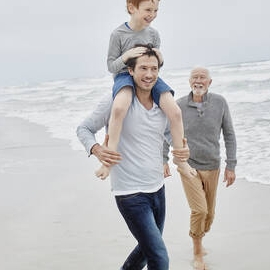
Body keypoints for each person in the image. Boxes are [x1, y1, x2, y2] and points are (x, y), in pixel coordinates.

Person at [77, 49, 190, 270]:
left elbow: (168, 132)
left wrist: (183, 151)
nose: (149, 74)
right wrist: (96, 149)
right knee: (159, 257)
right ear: (130, 71)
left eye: (154, 69)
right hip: (130, 194)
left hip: (157, 189)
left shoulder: (162, 104)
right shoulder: (115, 100)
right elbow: (84, 128)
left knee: (145, 252)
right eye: (143, 69)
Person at [95, 0, 194, 180]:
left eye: (156, 10)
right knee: (119, 108)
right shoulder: (118, 34)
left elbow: (155, 65)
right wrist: (126, 56)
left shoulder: (154, 34)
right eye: (148, 9)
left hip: (148, 76)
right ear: (132, 8)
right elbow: (110, 66)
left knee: (175, 111)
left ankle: (181, 161)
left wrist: (160, 58)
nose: (152, 14)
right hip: (124, 76)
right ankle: (108, 163)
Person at [163, 67, 237, 270]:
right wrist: (164, 160)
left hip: (213, 166)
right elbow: (167, 132)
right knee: (199, 210)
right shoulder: (178, 107)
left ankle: (199, 237)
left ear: (209, 82)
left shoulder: (220, 102)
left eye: (202, 77)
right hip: (189, 167)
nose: (198, 81)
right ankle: (197, 251)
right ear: (189, 82)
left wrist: (231, 165)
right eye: (194, 77)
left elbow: (229, 134)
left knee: (209, 215)